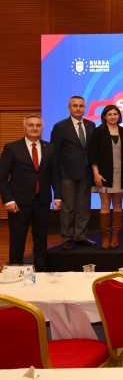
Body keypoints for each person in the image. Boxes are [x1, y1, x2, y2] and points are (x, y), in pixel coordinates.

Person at [0, 115, 61, 271]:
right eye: (31, 125)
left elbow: (55, 174)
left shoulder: (50, 147)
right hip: (18, 203)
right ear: (24, 128)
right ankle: (15, 271)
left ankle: (41, 272)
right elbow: (2, 176)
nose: (35, 128)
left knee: (41, 240)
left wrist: (58, 196)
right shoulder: (11, 147)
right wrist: (8, 200)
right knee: (17, 241)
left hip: (42, 200)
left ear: (42, 128)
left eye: (38, 125)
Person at [50, 96, 96, 250]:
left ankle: (81, 236)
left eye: (81, 106)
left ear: (85, 108)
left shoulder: (90, 125)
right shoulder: (60, 126)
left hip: (86, 173)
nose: (78, 108)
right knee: (68, 208)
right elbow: (54, 153)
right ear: (69, 108)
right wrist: (57, 173)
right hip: (67, 174)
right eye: (75, 106)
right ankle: (67, 238)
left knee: (84, 207)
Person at [89, 105, 123, 249]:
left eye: (115, 114)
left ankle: (115, 235)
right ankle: (105, 236)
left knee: (118, 205)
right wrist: (96, 173)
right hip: (103, 174)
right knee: (105, 205)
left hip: (120, 173)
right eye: (109, 114)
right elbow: (93, 154)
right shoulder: (98, 131)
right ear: (104, 116)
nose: (112, 117)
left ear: (119, 116)